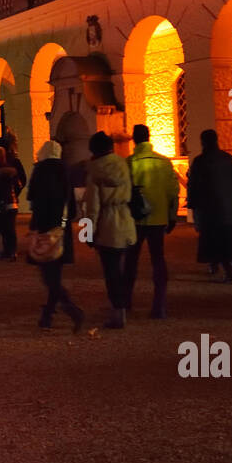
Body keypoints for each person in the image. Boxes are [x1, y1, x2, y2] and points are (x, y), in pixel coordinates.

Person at [26, 140, 84, 332]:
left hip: (44, 230)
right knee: (54, 273)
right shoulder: (64, 170)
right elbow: (72, 204)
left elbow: (33, 199)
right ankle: (47, 315)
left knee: (49, 276)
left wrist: (35, 227)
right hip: (61, 230)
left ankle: (72, 310)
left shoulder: (41, 170)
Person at [123, 124, 180, 318]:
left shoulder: (129, 162)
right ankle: (159, 305)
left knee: (131, 260)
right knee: (158, 260)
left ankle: (126, 301)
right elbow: (173, 191)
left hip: (135, 219)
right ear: (149, 138)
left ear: (134, 140)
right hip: (158, 218)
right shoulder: (163, 162)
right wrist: (172, 216)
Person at [83, 130, 136, 328]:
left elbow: (92, 208)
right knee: (124, 270)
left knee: (111, 272)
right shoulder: (123, 164)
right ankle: (124, 305)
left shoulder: (95, 171)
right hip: (126, 221)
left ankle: (118, 311)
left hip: (107, 226)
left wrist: (87, 233)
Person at [186, 130, 232, 282]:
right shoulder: (228, 159)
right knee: (227, 240)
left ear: (202, 142)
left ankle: (215, 265)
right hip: (229, 209)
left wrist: (193, 206)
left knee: (212, 239)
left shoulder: (200, 161)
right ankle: (229, 270)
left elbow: (193, 186)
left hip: (209, 210)